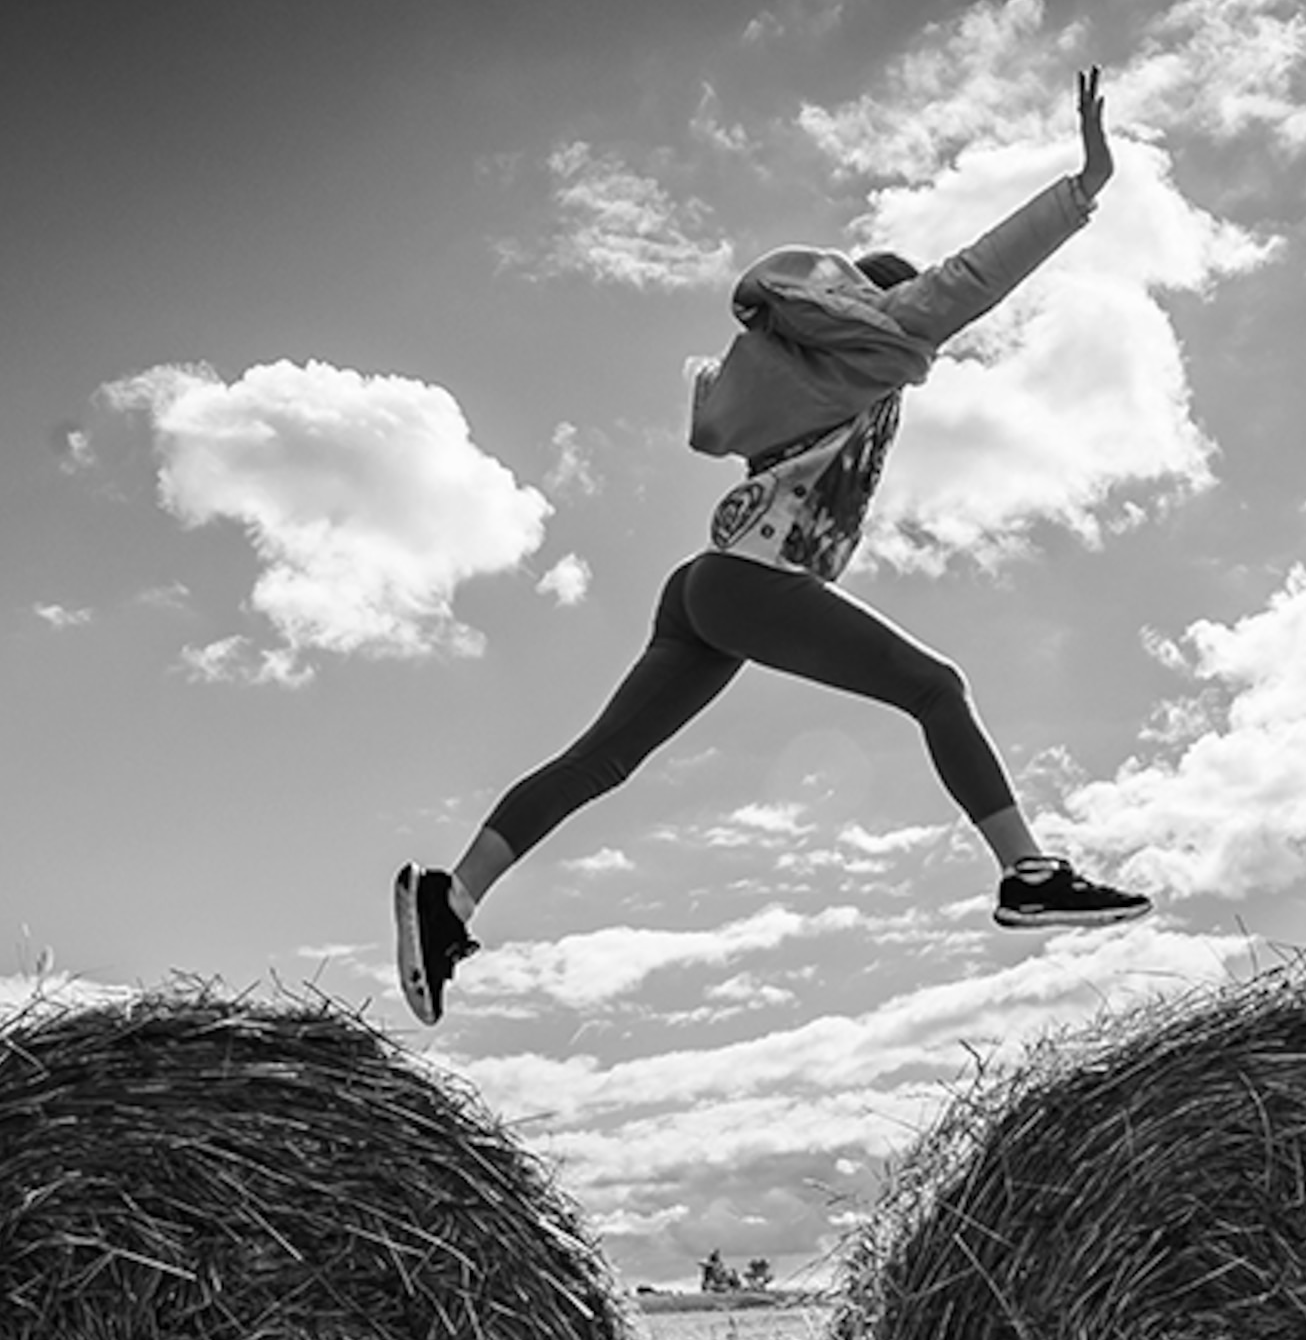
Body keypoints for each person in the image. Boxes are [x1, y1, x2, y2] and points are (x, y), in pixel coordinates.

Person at [396, 66, 1151, 1025]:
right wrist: (1084, 186)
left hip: (709, 589)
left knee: (601, 760)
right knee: (937, 688)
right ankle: (1027, 873)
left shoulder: (817, 380)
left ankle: (448, 901)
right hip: (748, 584)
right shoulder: (873, 344)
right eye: (907, 298)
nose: (925, 320)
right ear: (876, 302)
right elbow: (971, 277)